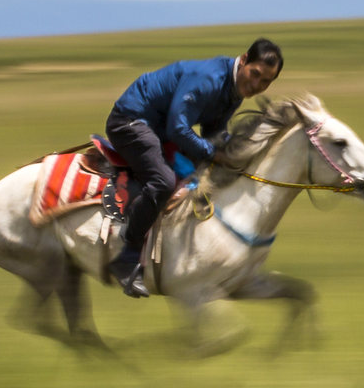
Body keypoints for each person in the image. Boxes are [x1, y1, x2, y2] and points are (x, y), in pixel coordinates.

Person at [105, 38, 283, 296]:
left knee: (204, 175)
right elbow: (178, 128)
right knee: (164, 181)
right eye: (255, 74)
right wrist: (215, 153)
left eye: (265, 82)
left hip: (160, 130)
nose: (256, 85)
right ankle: (127, 255)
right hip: (132, 120)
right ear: (243, 59)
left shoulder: (235, 90)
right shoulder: (209, 79)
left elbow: (214, 132)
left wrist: (238, 151)